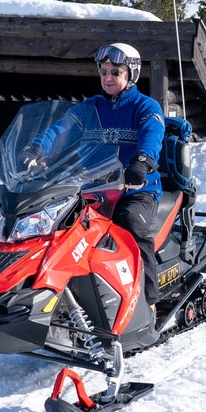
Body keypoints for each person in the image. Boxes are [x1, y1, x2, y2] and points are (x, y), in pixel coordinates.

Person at [22, 43, 168, 262]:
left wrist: (142, 162)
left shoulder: (146, 106)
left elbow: (152, 136)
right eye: (104, 72)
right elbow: (61, 130)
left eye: (115, 72)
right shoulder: (90, 107)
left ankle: (147, 284)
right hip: (93, 189)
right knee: (58, 226)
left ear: (132, 73)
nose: (108, 78)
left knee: (130, 224)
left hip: (135, 190)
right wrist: (36, 150)